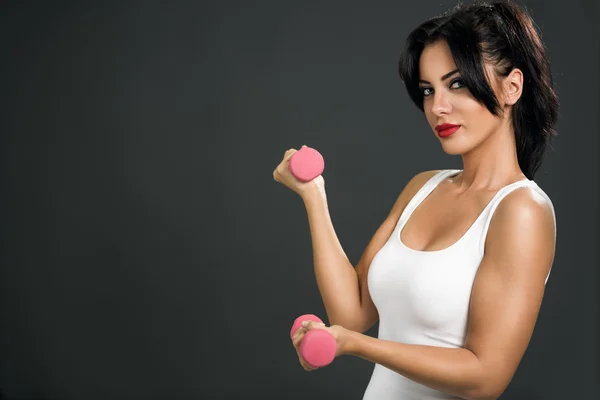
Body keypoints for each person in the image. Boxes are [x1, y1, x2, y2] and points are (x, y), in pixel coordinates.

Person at [272, 0, 558, 398]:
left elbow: (485, 377)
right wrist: (313, 195)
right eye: (428, 89)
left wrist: (356, 346)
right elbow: (351, 314)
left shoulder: (522, 210)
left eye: (457, 83)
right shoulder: (423, 186)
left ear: (512, 86)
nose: (437, 107)